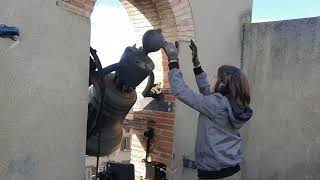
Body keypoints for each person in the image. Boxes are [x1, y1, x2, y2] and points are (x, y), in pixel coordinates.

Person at [162, 40, 253, 180]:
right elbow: (206, 91)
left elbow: (180, 91)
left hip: (214, 175)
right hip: (231, 171)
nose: (212, 79)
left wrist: (173, 60)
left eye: (215, 77)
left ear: (222, 85)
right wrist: (196, 65)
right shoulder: (231, 103)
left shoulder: (216, 104)